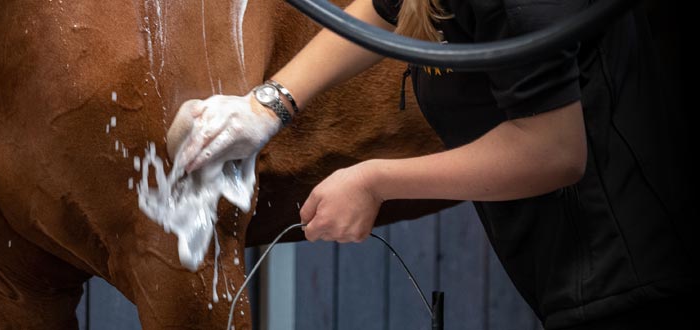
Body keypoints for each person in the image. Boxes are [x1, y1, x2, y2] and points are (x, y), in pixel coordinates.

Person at [175, 0, 696, 329]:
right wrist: (268, 107)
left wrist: (376, 181)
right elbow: (389, 9)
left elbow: (554, 149)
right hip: (566, 269)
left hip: (631, 275)